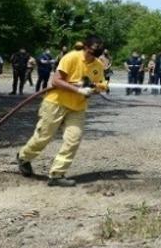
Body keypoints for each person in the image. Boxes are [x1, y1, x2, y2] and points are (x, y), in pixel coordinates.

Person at [16, 36, 107, 187]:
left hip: (77, 107)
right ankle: (24, 157)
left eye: (96, 53)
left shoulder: (98, 65)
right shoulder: (70, 57)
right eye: (91, 52)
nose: (93, 56)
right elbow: (56, 81)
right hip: (56, 103)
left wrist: (95, 88)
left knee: (73, 139)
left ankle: (57, 175)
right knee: (43, 137)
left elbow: (99, 85)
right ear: (85, 47)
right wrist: (78, 89)